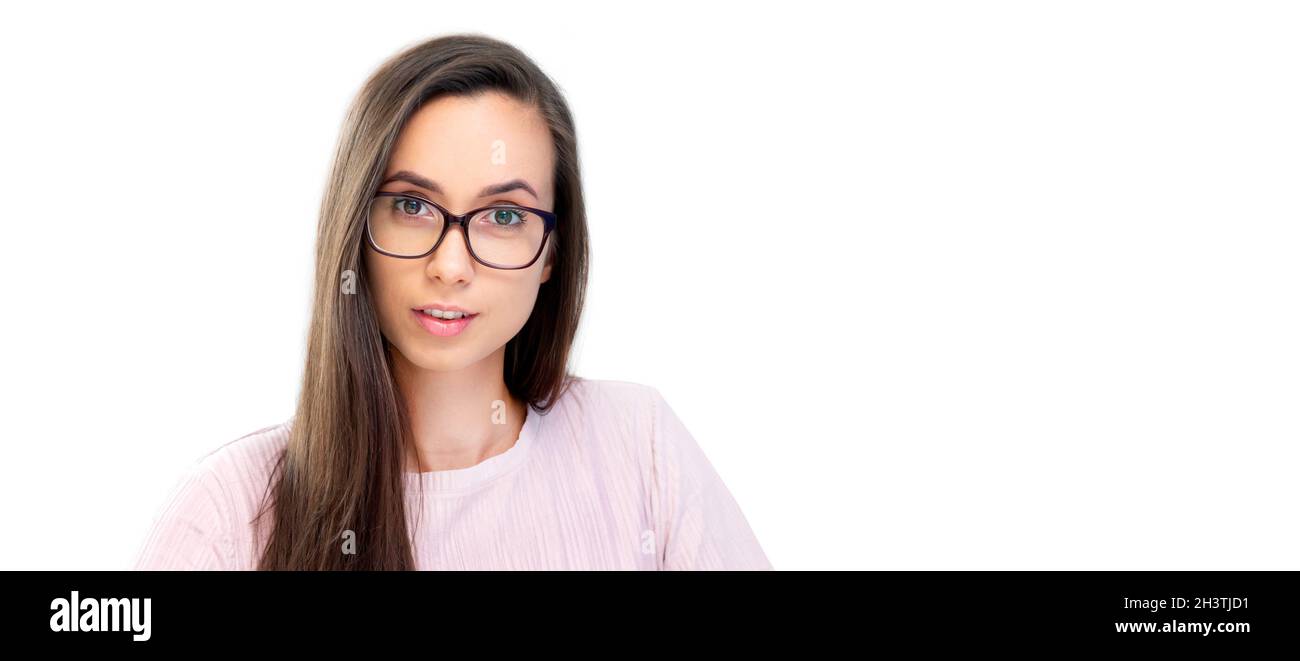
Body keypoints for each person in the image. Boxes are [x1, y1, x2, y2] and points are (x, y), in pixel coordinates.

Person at [133, 34, 769, 571]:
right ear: (355, 227)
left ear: (551, 252)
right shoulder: (226, 514)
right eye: (412, 206)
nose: (450, 266)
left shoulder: (637, 445)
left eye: (502, 214)